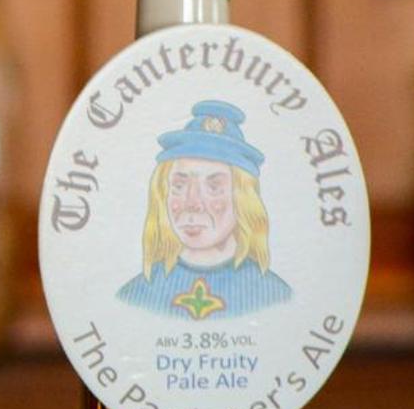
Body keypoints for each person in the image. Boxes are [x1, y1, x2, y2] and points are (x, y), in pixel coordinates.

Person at [116, 101, 292, 321]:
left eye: (214, 187)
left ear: (243, 200)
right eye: (179, 186)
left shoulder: (274, 296)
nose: (193, 203)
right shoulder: (136, 296)